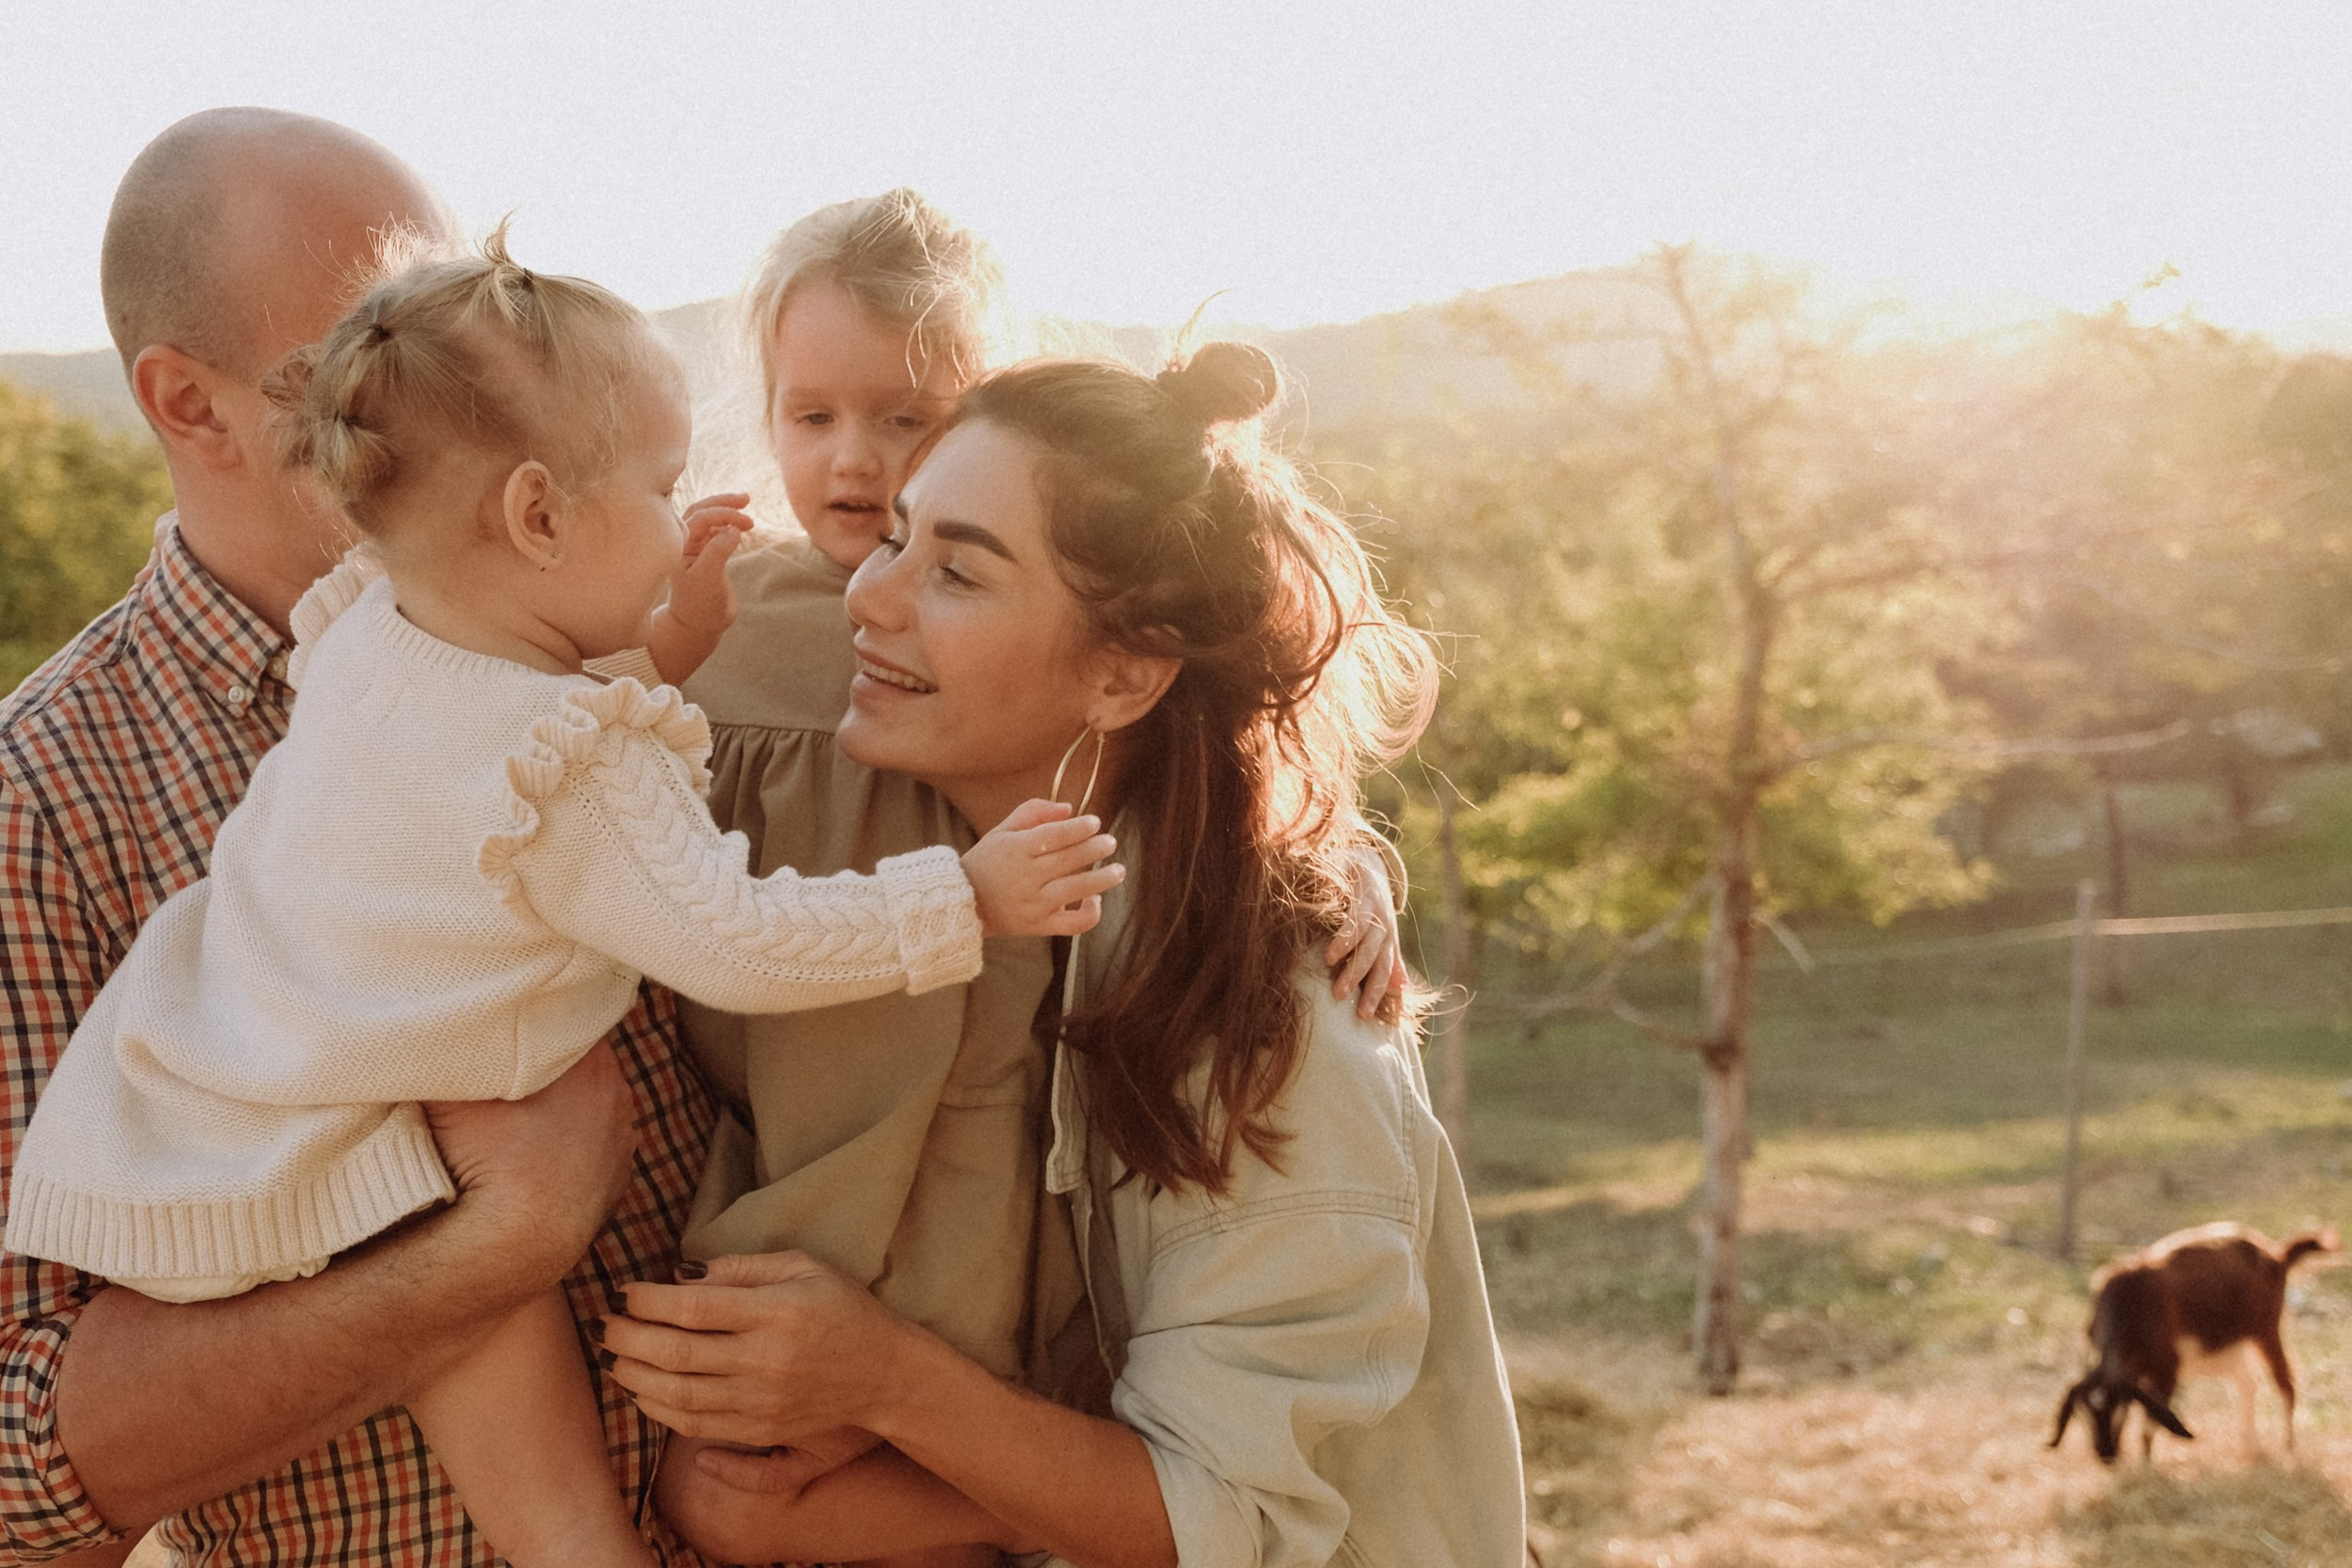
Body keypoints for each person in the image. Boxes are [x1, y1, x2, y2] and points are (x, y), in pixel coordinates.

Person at [603, 344, 1527, 1567]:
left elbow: (1236, 1520)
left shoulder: (1277, 1045)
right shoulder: (997, 895)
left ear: (1124, 674)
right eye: (894, 541)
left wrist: (883, 1383)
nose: (867, 602)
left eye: (958, 576)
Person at [0, 108, 672, 1567]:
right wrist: (487, 1251)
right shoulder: (43, 803)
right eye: (367, 356)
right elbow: (19, 1470)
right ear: (190, 407)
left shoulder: (611, 614)